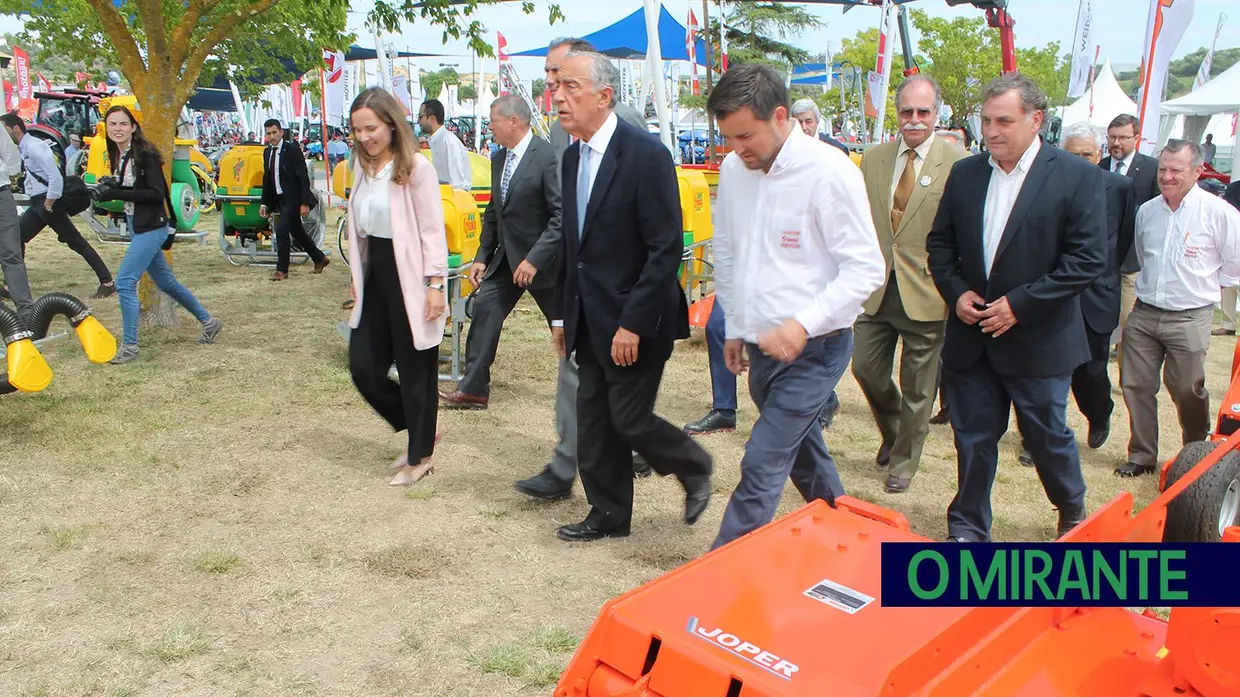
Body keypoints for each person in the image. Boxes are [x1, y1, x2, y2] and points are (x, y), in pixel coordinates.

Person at [708, 64, 885, 550]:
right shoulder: (733, 170)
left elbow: (866, 269)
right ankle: (848, 536)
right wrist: (736, 326)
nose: (736, 148)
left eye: (746, 135)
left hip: (817, 349)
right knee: (802, 453)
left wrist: (803, 324)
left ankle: (719, 570)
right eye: (728, 137)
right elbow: (728, 250)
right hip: (762, 347)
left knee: (763, 458)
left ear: (781, 116)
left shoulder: (830, 173)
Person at [926, 73, 1106, 543]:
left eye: (1004, 120)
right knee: (973, 439)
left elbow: (1087, 259)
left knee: (1047, 436)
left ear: (1036, 120)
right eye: (985, 121)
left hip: (1038, 341)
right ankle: (967, 527)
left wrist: (1021, 306)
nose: (992, 131)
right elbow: (940, 245)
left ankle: (1071, 510)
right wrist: (956, 291)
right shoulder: (966, 174)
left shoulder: (1076, 176)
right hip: (972, 337)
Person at [547, 50, 713, 541]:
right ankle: (609, 515)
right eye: (557, 87)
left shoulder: (647, 155)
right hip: (588, 316)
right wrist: (561, 316)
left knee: (629, 419)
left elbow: (664, 250)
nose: (559, 96)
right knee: (594, 422)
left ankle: (694, 465)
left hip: (638, 318)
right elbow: (573, 248)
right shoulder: (572, 155)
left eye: (571, 87)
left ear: (604, 96)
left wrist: (633, 323)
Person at [513, 37, 651, 501]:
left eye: (559, 75)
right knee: (580, 382)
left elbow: (645, 228)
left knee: (605, 389)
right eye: (550, 76)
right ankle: (571, 464)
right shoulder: (561, 131)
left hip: (618, 298)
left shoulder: (624, 127)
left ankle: (635, 447)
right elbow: (569, 220)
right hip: (581, 293)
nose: (551, 85)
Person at [853, 75, 968, 494]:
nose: (914, 120)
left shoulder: (958, 162)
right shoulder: (874, 158)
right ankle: (896, 429)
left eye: (923, 112)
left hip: (928, 292)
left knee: (920, 386)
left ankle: (903, 461)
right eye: (907, 111)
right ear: (897, 114)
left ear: (936, 114)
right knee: (864, 367)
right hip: (877, 289)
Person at [1115, 140, 1240, 478]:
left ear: (1198, 171)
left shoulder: (1220, 213)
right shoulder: (1148, 211)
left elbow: (1234, 265)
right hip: (1145, 312)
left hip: (1190, 315)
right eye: (1162, 170)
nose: (1166, 177)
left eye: (1175, 170)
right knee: (1135, 384)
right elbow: (1143, 254)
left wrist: (1203, 290)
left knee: (1188, 389)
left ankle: (1196, 451)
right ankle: (1142, 456)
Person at [344, 87, 449, 488]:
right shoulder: (361, 166)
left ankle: (421, 454)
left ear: (390, 123)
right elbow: (360, 231)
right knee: (364, 368)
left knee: (414, 368)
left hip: (412, 275)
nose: (365, 136)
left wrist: (435, 284)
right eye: (357, 130)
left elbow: (431, 230)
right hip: (375, 275)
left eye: (371, 127)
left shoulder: (416, 168)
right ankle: (416, 424)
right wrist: (358, 277)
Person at [439, 94, 562, 409]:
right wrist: (482, 256)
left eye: (493, 120)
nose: (489, 126)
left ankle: (587, 388)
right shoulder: (498, 159)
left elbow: (561, 218)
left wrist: (534, 260)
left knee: (566, 328)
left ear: (513, 121)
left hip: (544, 263)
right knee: (484, 311)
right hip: (505, 260)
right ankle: (474, 389)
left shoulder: (547, 157)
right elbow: (495, 213)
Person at [91, 106, 223, 364]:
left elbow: (153, 193)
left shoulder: (145, 154)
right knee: (167, 283)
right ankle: (209, 322)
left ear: (133, 127)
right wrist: (110, 186)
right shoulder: (122, 154)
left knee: (125, 282)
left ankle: (130, 347)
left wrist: (116, 193)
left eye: (122, 124)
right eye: (113, 124)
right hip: (140, 224)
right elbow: (135, 187)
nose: (117, 129)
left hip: (151, 226)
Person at [1056, 122, 1135, 449]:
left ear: (1099, 154)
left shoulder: (1120, 187)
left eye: (1087, 154)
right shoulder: (1049, 186)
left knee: (1089, 372)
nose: (1080, 160)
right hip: (1055, 294)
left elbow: (1124, 238)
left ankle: (1099, 413)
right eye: (1073, 154)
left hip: (1097, 295)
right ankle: (1044, 436)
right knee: (1051, 369)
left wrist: (1104, 275)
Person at [2, 114, 115, 299]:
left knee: (77, 242)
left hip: (48, 204)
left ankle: (107, 282)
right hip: (40, 204)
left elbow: (55, 177)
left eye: (4, 130)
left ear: (15, 128)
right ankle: (11, 286)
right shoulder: (25, 146)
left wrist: (48, 204)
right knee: (15, 238)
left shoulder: (34, 147)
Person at [1100, 114, 1159, 350]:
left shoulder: (1152, 168)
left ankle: (1127, 380)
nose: (1116, 143)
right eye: (1112, 137)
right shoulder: (1100, 166)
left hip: (1133, 259)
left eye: (1123, 138)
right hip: (1102, 259)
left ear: (1136, 138)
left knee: (1127, 321)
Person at [260, 119, 329, 281]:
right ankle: (320, 258)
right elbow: (267, 179)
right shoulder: (267, 152)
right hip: (278, 199)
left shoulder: (292, 150)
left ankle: (281, 270)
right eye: (268, 133)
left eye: (274, 132)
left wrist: (304, 203)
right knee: (297, 232)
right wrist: (265, 203)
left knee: (282, 231)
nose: (271, 136)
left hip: (293, 198)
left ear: (281, 132)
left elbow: (303, 178)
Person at [0, 111, 33, 320]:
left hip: (1, 194)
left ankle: (27, 311)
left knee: (11, 253)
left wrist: (5, 175)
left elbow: (11, 157)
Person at [417, 100, 472, 191]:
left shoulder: (448, 141)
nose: (418, 121)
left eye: (420, 117)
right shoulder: (434, 141)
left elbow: (457, 183)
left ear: (432, 119)